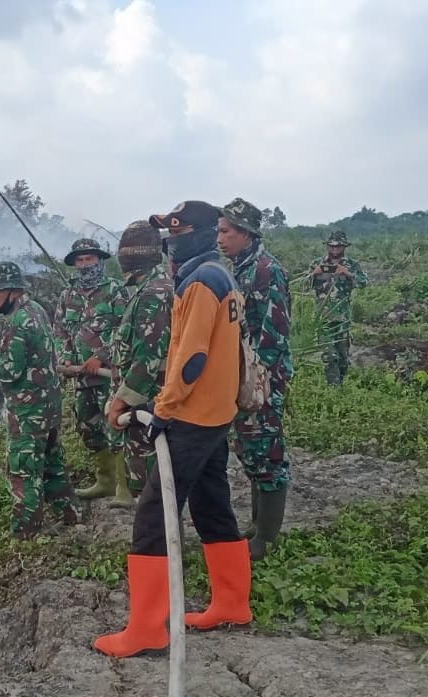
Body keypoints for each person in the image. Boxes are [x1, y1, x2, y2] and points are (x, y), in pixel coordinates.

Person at [96, 201, 252, 658]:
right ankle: (231, 603)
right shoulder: (220, 275)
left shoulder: (201, 282)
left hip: (194, 415)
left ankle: (146, 630)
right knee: (211, 504)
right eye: (167, 234)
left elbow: (192, 357)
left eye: (178, 233)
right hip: (216, 413)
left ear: (200, 235)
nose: (170, 242)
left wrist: (163, 408)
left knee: (152, 516)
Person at [0, 262, 78, 537]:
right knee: (53, 464)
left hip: (27, 412)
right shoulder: (37, 311)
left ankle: (25, 533)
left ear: (13, 291)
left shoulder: (15, 324)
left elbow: (9, 372)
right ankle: (71, 515)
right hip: (49, 407)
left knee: (24, 471)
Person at [217, 198, 294, 561]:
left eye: (226, 232)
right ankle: (257, 524)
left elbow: (274, 336)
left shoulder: (266, 270)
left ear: (246, 234)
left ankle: (266, 537)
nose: (220, 239)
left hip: (262, 380)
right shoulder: (240, 269)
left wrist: (257, 383)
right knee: (249, 450)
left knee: (267, 452)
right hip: (244, 376)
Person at [53, 238, 130, 501]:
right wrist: (65, 358)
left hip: (110, 376)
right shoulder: (67, 295)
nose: (85, 264)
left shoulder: (116, 291)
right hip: (81, 377)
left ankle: (124, 487)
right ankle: (104, 481)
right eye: (80, 260)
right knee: (88, 428)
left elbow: (125, 329)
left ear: (100, 260)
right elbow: (60, 331)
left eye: (90, 259)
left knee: (116, 425)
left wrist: (102, 356)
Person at [105, 221, 172, 501]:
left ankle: (158, 540)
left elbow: (147, 360)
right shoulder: (151, 289)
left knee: (152, 484)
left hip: (148, 404)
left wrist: (120, 402)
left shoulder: (153, 294)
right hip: (147, 403)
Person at [309, 230, 368, 386]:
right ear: (328, 246)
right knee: (329, 356)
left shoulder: (352, 264)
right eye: (332, 246)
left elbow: (363, 283)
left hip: (342, 318)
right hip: (323, 318)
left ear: (344, 247)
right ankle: (333, 389)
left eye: (338, 247)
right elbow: (303, 284)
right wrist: (313, 275)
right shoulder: (317, 263)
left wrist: (348, 274)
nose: (335, 250)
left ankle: (339, 385)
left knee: (342, 357)